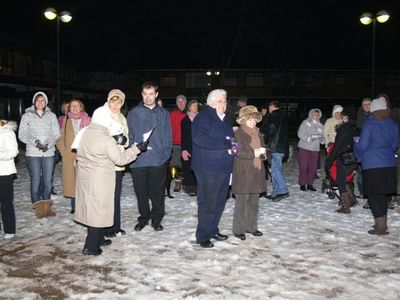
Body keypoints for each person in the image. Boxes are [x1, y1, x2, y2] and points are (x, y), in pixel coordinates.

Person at [72, 106, 144, 256]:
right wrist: (137, 149)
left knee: (93, 209)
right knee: (97, 211)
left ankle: (99, 239)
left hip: (85, 177)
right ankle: (90, 246)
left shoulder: (85, 132)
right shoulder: (105, 139)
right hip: (100, 179)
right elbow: (121, 159)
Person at [127, 81, 172, 232]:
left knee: (157, 192)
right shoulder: (134, 112)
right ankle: (144, 218)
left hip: (158, 160)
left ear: (156, 94)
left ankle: (157, 219)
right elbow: (130, 134)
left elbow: (168, 135)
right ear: (142, 94)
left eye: (151, 94)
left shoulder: (163, 113)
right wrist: (131, 152)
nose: (148, 97)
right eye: (145, 94)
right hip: (138, 160)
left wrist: (165, 156)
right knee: (141, 193)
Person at [192, 89, 234, 248]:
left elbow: (228, 139)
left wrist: (234, 146)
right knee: (208, 202)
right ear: (211, 103)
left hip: (223, 167)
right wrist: (223, 144)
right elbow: (199, 138)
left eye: (225, 101)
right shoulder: (204, 117)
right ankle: (202, 235)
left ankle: (212, 229)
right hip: (207, 168)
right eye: (220, 101)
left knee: (219, 201)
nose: (224, 104)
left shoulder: (225, 119)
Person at [354, 98, 399, 235]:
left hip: (373, 163)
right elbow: (395, 143)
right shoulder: (393, 123)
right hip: (389, 163)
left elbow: (363, 145)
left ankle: (381, 227)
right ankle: (382, 223)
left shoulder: (370, 123)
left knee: (373, 195)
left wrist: (358, 152)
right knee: (382, 195)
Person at [18, 91, 60, 218]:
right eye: (38, 100)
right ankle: (38, 207)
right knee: (35, 180)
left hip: (48, 153)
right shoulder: (27, 116)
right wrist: (35, 143)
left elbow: (56, 134)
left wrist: (49, 145)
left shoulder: (51, 116)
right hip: (33, 153)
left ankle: (46, 208)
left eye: (43, 100)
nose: (40, 102)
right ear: (34, 102)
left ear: (46, 102)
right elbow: (22, 134)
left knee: (47, 181)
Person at [231, 105, 266, 241]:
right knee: (242, 201)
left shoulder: (258, 133)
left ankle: (251, 227)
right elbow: (237, 152)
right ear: (244, 120)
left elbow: (263, 150)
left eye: (255, 119)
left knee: (254, 201)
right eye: (250, 119)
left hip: (256, 171)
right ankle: (238, 229)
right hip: (243, 171)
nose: (253, 122)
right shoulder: (237, 134)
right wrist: (255, 153)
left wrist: (264, 154)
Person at [102, 89, 130, 238]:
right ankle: (105, 228)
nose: (115, 104)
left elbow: (127, 136)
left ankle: (115, 226)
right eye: (113, 101)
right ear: (108, 101)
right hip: (105, 162)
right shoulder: (102, 116)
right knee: (106, 196)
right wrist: (113, 139)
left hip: (118, 162)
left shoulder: (122, 118)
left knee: (116, 196)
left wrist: (123, 140)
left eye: (118, 102)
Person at [56, 99, 91, 213]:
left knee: (84, 180)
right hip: (69, 155)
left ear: (81, 107)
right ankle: (74, 206)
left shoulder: (88, 120)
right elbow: (58, 137)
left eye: (77, 106)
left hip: (84, 154)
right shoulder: (64, 120)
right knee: (72, 181)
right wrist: (63, 151)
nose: (75, 108)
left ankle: (84, 205)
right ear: (69, 108)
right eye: (72, 106)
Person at [325, 106, 360, 213]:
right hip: (355, 158)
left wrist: (329, 160)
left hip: (345, 158)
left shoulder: (344, 128)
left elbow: (337, 146)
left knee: (340, 181)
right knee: (345, 179)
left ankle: (346, 206)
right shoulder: (356, 128)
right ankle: (352, 200)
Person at [261, 100, 289, 201]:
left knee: (275, 169)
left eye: (269, 107)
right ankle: (275, 192)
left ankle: (283, 190)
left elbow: (270, 128)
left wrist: (261, 130)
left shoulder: (274, 115)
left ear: (272, 106)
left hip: (275, 147)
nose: (268, 109)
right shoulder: (282, 115)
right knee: (275, 169)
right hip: (280, 147)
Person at [297, 109, 325, 191]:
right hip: (304, 147)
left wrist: (322, 140)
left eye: (317, 115)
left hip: (315, 149)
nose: (315, 117)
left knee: (312, 168)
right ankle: (302, 184)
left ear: (319, 116)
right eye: (314, 115)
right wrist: (307, 138)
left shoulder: (321, 126)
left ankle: (310, 184)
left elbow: (323, 137)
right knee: (303, 166)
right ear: (310, 115)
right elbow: (300, 133)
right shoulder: (305, 123)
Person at [0, 120, 18, 239]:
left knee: (6, 202)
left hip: (4, 172)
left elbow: (13, 152)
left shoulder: (7, 132)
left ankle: (10, 229)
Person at [180, 99, 199, 196]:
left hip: (199, 147)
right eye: (193, 105)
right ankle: (190, 187)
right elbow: (184, 136)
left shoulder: (201, 118)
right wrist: (183, 149)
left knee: (198, 167)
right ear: (189, 107)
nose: (195, 107)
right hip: (189, 147)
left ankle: (199, 187)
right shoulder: (185, 120)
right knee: (188, 167)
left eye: (196, 105)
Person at [169, 95, 187, 192]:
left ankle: (187, 183)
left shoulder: (189, 114)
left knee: (186, 164)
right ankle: (178, 182)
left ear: (185, 102)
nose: (181, 103)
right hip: (175, 143)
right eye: (179, 101)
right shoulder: (172, 114)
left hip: (187, 144)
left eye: (182, 101)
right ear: (176, 103)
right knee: (176, 164)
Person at [356, 97, 371, 206]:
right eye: (364, 104)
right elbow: (358, 129)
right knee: (360, 171)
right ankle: (362, 192)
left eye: (368, 104)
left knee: (369, 172)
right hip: (361, 148)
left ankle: (368, 194)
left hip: (371, 149)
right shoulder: (360, 115)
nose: (366, 106)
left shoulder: (375, 116)